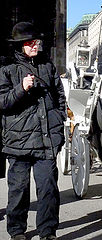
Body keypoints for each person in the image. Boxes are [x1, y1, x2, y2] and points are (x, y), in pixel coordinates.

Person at [0, 22, 66, 240]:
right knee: (18, 190)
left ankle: (48, 232)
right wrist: (21, 89)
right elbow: (2, 102)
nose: (35, 46)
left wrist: (59, 122)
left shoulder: (48, 66)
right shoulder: (6, 69)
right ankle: (17, 231)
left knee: (48, 189)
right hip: (17, 142)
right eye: (30, 43)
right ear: (20, 46)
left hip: (46, 139)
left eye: (36, 42)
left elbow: (59, 96)